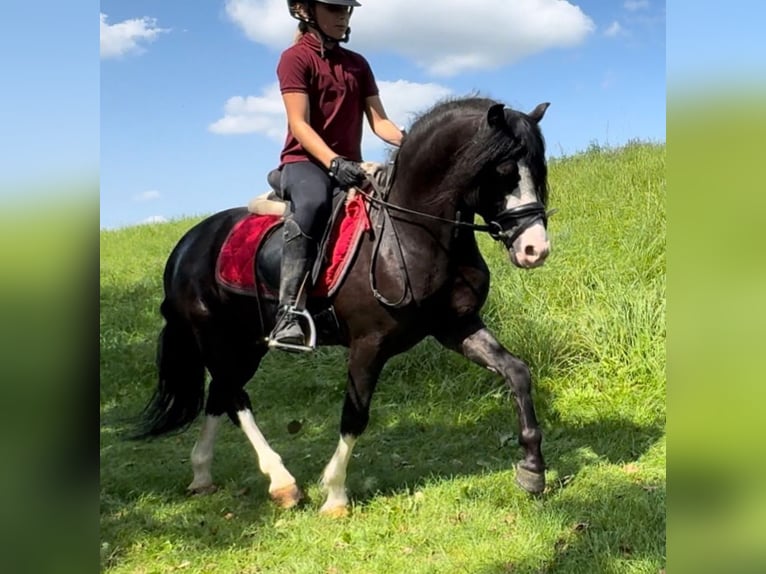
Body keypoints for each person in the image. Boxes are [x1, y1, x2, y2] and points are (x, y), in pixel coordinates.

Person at [269, 0, 405, 350]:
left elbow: (380, 122)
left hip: (349, 166)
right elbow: (299, 123)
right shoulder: (295, 59)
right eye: (333, 8)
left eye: (346, 8)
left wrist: (414, 143)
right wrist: (333, 162)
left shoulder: (358, 64)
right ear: (304, 10)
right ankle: (289, 313)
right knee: (313, 204)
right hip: (305, 163)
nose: (343, 15)